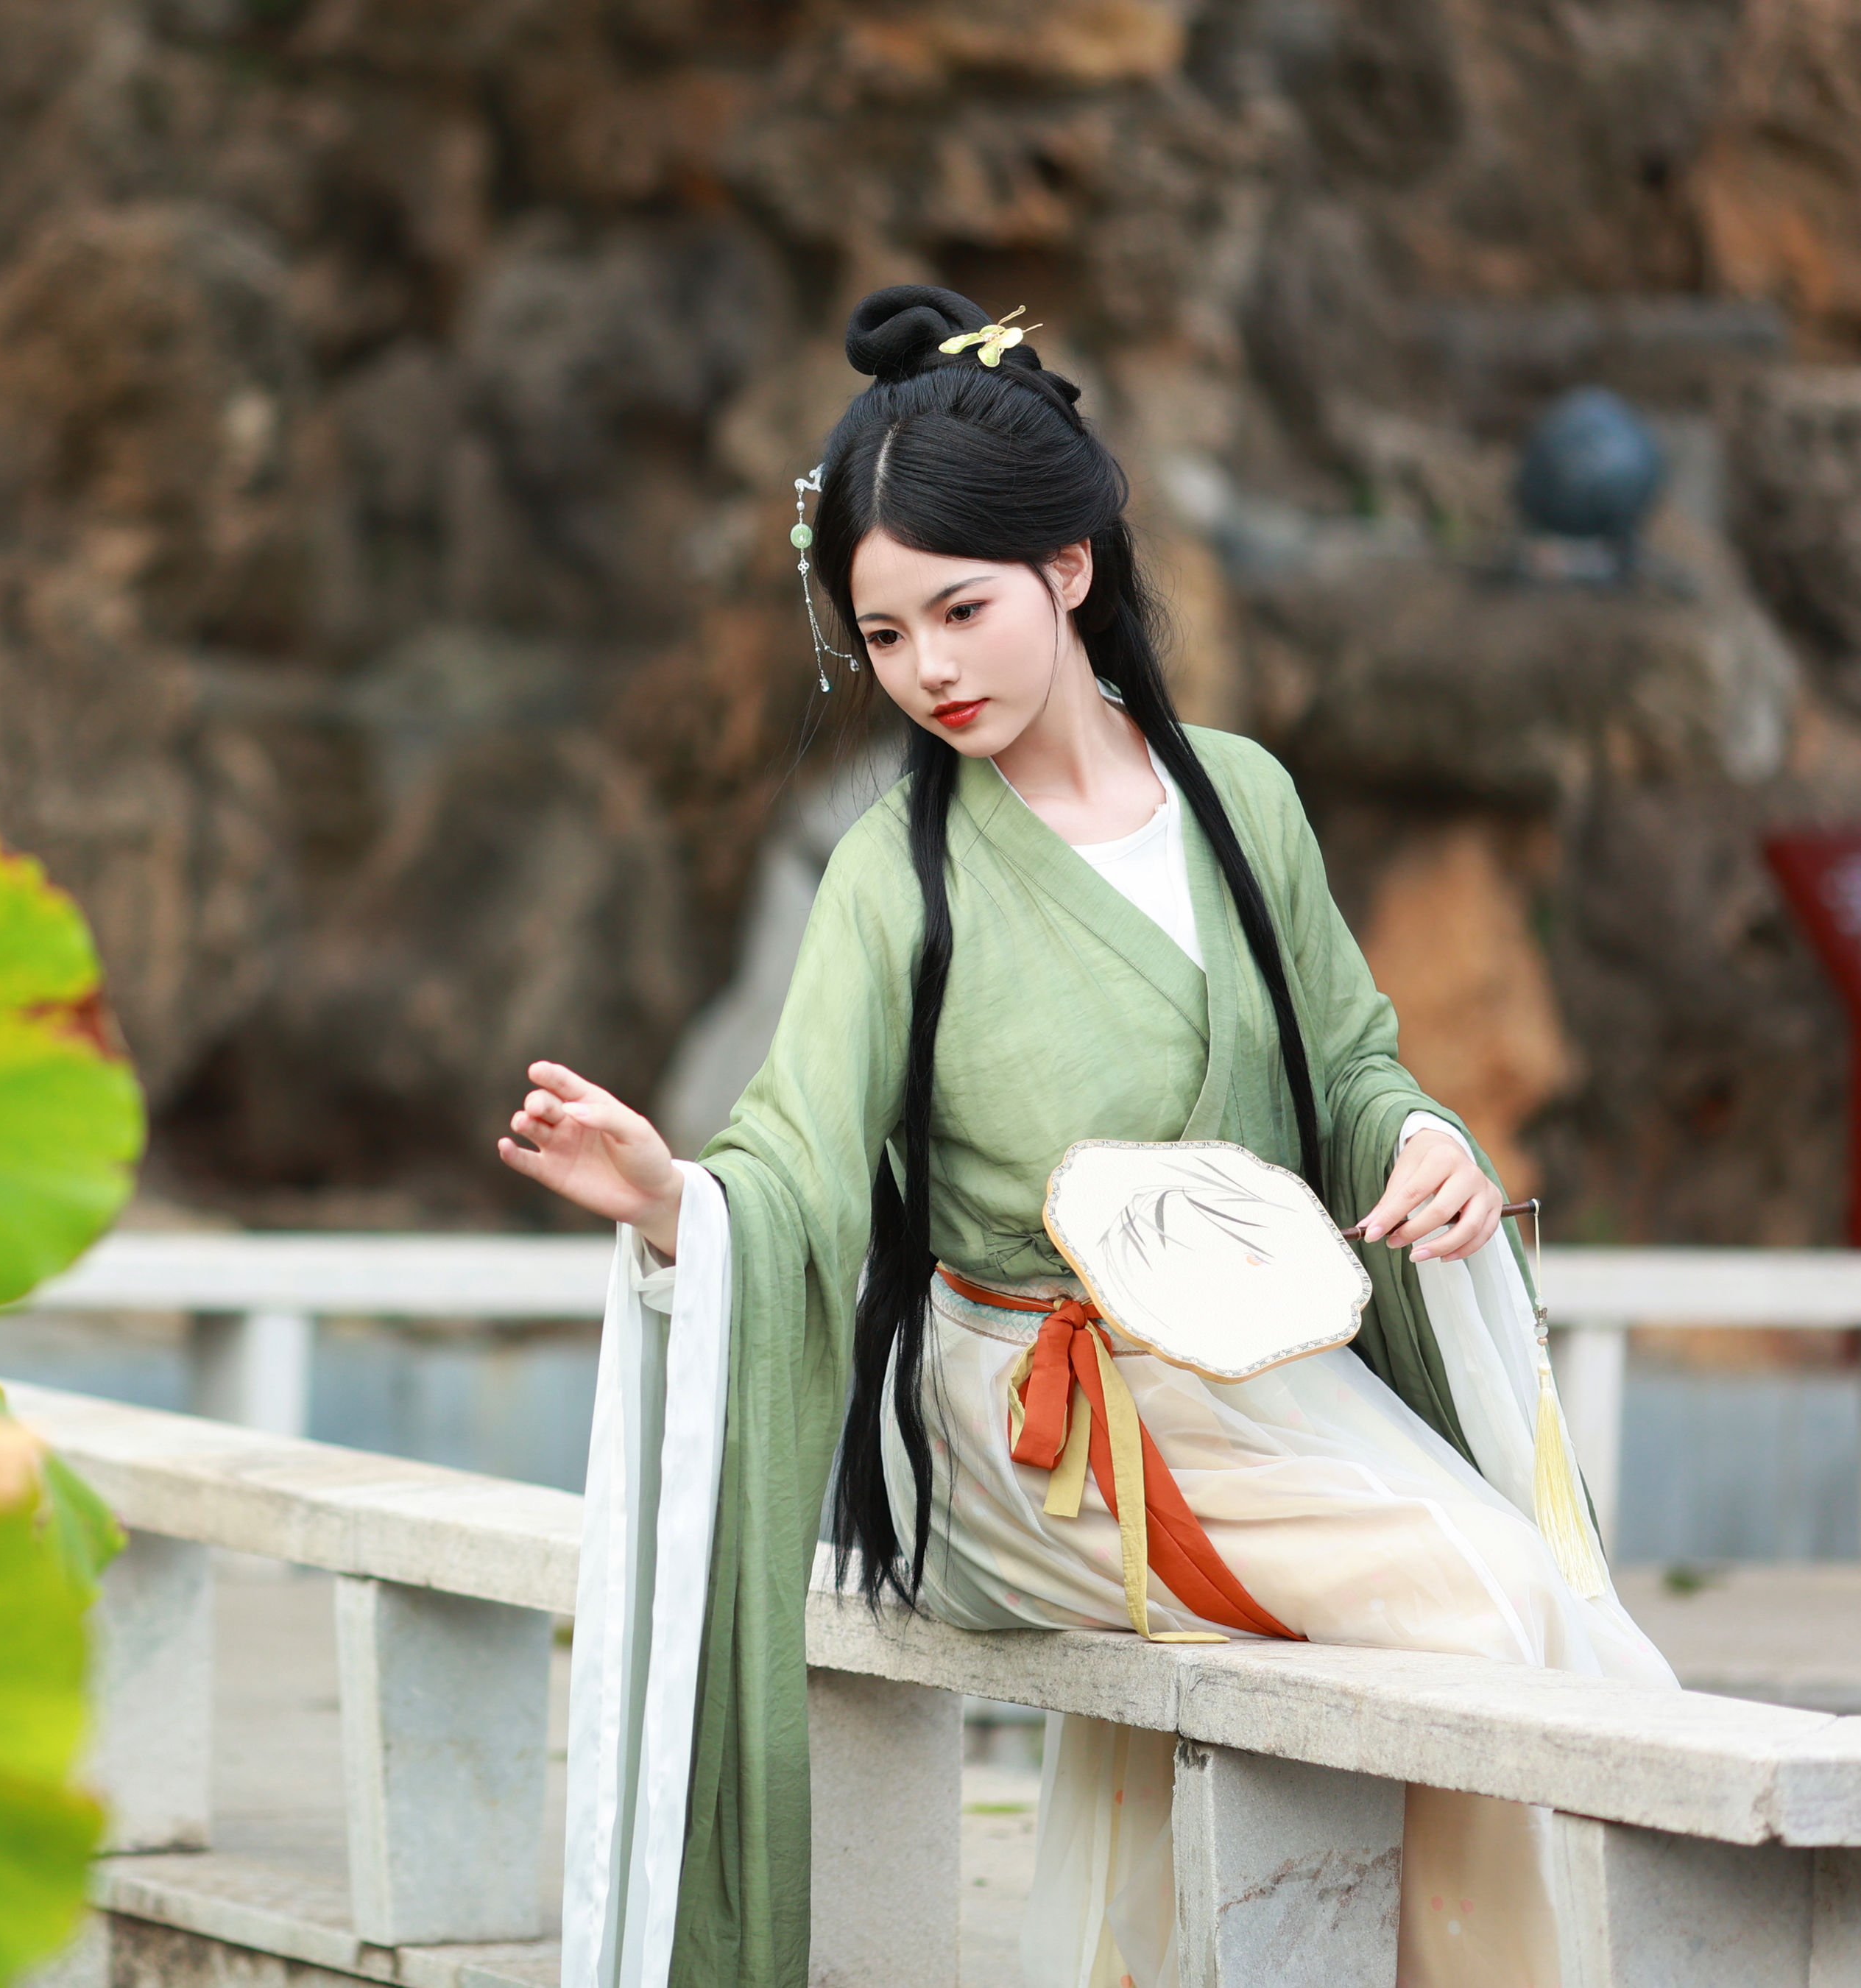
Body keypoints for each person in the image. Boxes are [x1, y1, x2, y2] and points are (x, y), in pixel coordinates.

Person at [499, 285, 1675, 1988]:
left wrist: (1423, 1140)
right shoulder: (893, 877)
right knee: (1487, 1603)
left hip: (1263, 1376)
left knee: (1567, 1633)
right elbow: (795, 1169)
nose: (930, 672)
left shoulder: (1242, 798)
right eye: (885, 637)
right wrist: (676, 1199)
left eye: (960, 611)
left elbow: (1351, 1065)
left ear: (1070, 569)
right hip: (1036, 1430)